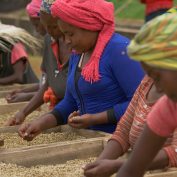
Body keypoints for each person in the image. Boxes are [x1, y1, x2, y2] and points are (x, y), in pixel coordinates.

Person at [18, 0, 144, 141]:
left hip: (120, 142)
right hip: (91, 139)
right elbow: (70, 102)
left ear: (89, 26)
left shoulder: (120, 50)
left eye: (70, 34)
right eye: (64, 34)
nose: (66, 41)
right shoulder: (78, 54)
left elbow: (141, 103)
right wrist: (41, 123)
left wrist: (95, 119)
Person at [116, 12, 177, 177]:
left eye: (157, 76)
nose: (157, 86)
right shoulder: (170, 105)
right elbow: (133, 168)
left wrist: (116, 165)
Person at [6, 0, 71, 126]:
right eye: (47, 27)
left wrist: (26, 95)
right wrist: (23, 112)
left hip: (73, 116)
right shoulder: (49, 40)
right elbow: (48, 83)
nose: (50, 31)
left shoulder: (77, 46)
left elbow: (72, 95)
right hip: (58, 113)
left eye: (54, 26)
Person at [6, 0, 45, 103]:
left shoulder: (15, 47)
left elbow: (18, 77)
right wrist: (22, 91)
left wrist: (26, 95)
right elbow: (47, 83)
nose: (36, 30)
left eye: (37, 25)